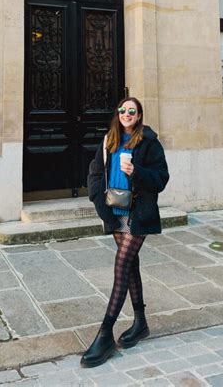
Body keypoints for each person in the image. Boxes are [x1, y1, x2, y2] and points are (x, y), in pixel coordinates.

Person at [81, 97, 169, 368]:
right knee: (130, 266)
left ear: (139, 114)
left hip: (137, 213)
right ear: (117, 114)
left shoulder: (149, 142)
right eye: (122, 110)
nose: (126, 114)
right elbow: (95, 173)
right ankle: (141, 323)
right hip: (115, 211)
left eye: (132, 111)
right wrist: (98, 201)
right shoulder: (109, 140)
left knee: (121, 267)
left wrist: (137, 171)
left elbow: (161, 179)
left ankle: (105, 333)